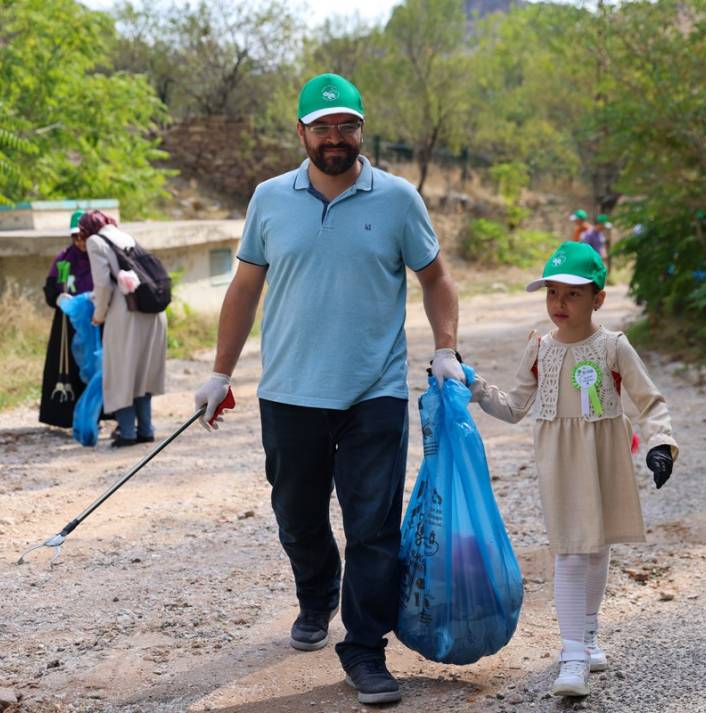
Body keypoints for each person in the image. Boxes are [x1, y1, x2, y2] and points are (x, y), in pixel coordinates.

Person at [192, 72, 461, 705]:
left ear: (362, 130)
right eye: (323, 127)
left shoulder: (397, 199)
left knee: (374, 528)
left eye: (346, 125)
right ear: (302, 132)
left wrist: (445, 349)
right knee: (298, 517)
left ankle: (365, 650)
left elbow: (437, 280)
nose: (335, 138)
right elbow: (244, 288)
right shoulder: (269, 198)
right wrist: (219, 372)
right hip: (289, 393)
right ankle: (317, 594)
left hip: (375, 392)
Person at [465, 241, 678, 698]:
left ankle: (589, 632)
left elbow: (650, 400)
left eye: (572, 294)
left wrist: (661, 444)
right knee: (569, 550)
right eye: (552, 293)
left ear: (598, 298)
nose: (559, 304)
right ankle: (572, 655)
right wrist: (476, 387)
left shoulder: (613, 347)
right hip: (560, 459)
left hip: (605, 454)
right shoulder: (539, 350)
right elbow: (515, 406)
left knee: (596, 548)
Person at [80, 210, 167, 447]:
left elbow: (102, 285)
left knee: (120, 373)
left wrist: (98, 315)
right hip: (152, 311)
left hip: (125, 313)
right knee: (142, 372)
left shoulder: (95, 241)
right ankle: (146, 429)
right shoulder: (125, 236)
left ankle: (128, 433)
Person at [39, 210, 92, 428]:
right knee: (66, 368)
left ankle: (94, 415)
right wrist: (58, 298)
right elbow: (51, 290)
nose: (79, 242)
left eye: (83, 236)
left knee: (90, 368)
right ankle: (66, 416)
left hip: (93, 323)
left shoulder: (100, 258)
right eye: (75, 237)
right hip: (66, 325)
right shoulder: (63, 259)